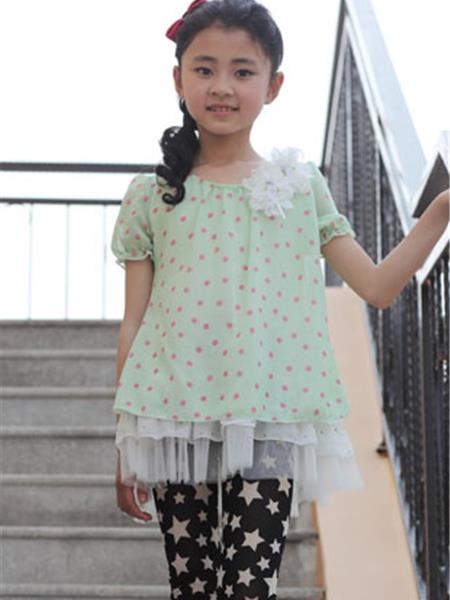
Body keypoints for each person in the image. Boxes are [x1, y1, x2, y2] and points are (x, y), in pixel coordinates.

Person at [110, 1, 450, 598]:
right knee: (192, 588)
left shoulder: (299, 186)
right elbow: (133, 323)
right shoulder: (152, 195)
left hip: (272, 416)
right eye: (205, 68)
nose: (222, 86)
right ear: (179, 79)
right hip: (173, 417)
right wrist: (127, 442)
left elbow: (375, 286)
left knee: (250, 588)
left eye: (242, 71)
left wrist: (440, 212)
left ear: (273, 85)